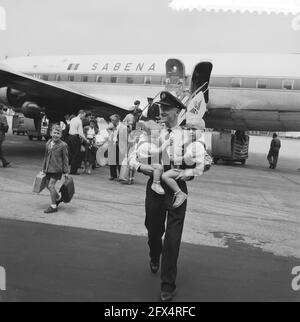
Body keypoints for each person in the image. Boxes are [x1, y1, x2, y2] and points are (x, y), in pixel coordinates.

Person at [129, 91, 206, 302]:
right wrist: (143, 167)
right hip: (154, 187)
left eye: (166, 108)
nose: (161, 111)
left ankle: (167, 284)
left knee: (173, 239)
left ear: (178, 112)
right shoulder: (151, 132)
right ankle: (154, 253)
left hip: (176, 188)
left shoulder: (189, 135)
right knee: (154, 230)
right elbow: (132, 157)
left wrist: (186, 174)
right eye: (160, 107)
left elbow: (203, 162)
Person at [42, 125, 69, 214]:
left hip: (57, 170)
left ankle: (53, 206)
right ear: (51, 133)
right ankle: (57, 198)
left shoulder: (63, 145)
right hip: (48, 169)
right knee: (46, 184)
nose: (56, 135)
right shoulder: (48, 143)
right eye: (54, 133)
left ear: (61, 135)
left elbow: (65, 159)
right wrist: (43, 169)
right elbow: (46, 157)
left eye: (58, 133)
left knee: (51, 185)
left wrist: (66, 172)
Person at [107, 114, 128, 181]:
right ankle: (113, 175)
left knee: (120, 161)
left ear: (116, 121)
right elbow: (108, 131)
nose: (111, 122)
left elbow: (126, 138)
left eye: (112, 120)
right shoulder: (112, 126)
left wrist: (126, 147)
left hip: (120, 146)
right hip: (112, 145)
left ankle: (121, 175)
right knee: (112, 160)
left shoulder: (124, 127)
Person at [68, 110, 88, 175]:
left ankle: (71, 170)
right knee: (76, 155)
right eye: (84, 115)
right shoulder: (79, 121)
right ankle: (73, 171)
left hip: (70, 137)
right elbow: (80, 133)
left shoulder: (73, 119)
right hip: (75, 138)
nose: (84, 117)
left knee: (72, 154)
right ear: (81, 114)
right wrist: (86, 139)